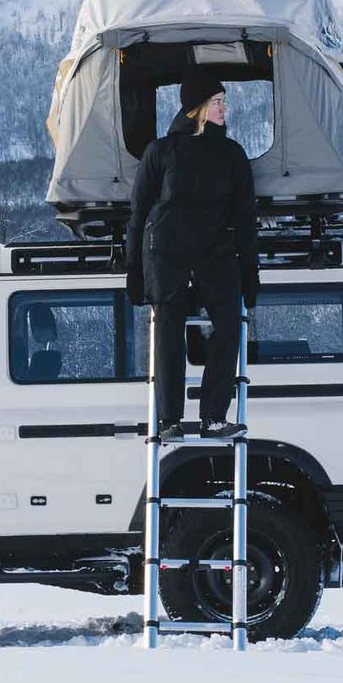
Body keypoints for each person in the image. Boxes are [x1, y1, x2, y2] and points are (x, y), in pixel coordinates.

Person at [125, 74, 259, 442]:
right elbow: (139, 213)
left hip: (215, 252)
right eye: (216, 101)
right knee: (168, 329)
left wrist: (250, 270)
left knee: (230, 325)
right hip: (166, 251)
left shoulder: (233, 154)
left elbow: (246, 216)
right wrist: (133, 270)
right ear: (196, 108)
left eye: (223, 101)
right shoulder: (162, 151)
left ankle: (213, 417)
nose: (224, 108)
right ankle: (170, 420)